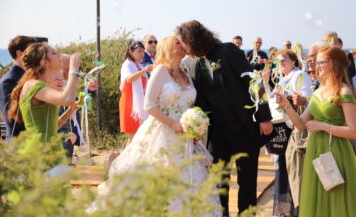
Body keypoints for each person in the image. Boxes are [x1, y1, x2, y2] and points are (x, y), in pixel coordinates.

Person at [91, 36, 222, 216]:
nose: (182, 45)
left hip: (185, 135)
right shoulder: (161, 71)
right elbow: (149, 105)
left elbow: (190, 104)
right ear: (168, 47)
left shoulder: (185, 72)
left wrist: (194, 125)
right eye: (177, 43)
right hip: (162, 130)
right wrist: (174, 124)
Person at [177, 20, 273, 216]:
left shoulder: (228, 51)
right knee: (219, 181)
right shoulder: (195, 64)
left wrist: (264, 116)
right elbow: (201, 101)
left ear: (192, 40)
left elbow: (255, 81)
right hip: (218, 133)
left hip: (244, 127)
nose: (183, 47)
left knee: (247, 181)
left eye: (183, 43)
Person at [275, 45, 356, 216]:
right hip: (315, 151)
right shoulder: (318, 92)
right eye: (316, 62)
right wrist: (286, 105)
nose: (316, 66)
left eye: (321, 62)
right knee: (318, 199)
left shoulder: (343, 91)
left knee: (336, 199)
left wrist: (323, 126)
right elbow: (301, 124)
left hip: (337, 151)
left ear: (334, 64)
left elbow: (355, 132)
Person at [262, 49, 312, 217]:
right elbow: (273, 103)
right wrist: (265, 82)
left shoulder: (300, 76)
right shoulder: (283, 79)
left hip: (293, 130)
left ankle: (293, 211)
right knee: (282, 171)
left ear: (294, 62)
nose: (280, 63)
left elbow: (308, 101)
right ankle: (286, 211)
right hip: (282, 130)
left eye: (284, 60)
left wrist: (292, 99)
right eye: (278, 61)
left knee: (292, 172)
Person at [8, 43, 81, 149]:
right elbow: (67, 99)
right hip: (40, 152)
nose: (59, 55)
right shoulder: (33, 85)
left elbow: (52, 127)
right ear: (45, 62)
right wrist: (73, 70)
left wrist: (70, 111)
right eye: (54, 53)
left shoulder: (39, 85)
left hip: (48, 151)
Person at [0, 35, 36, 141]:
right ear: (20, 54)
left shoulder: (31, 77)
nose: (37, 55)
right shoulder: (9, 81)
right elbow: (12, 118)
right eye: (33, 52)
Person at [120, 41, 153, 145]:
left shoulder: (138, 65)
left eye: (143, 51)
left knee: (141, 136)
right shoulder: (128, 64)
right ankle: (125, 161)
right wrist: (144, 71)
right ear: (131, 52)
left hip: (139, 103)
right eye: (139, 51)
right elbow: (129, 79)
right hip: (129, 104)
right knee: (132, 137)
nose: (142, 54)